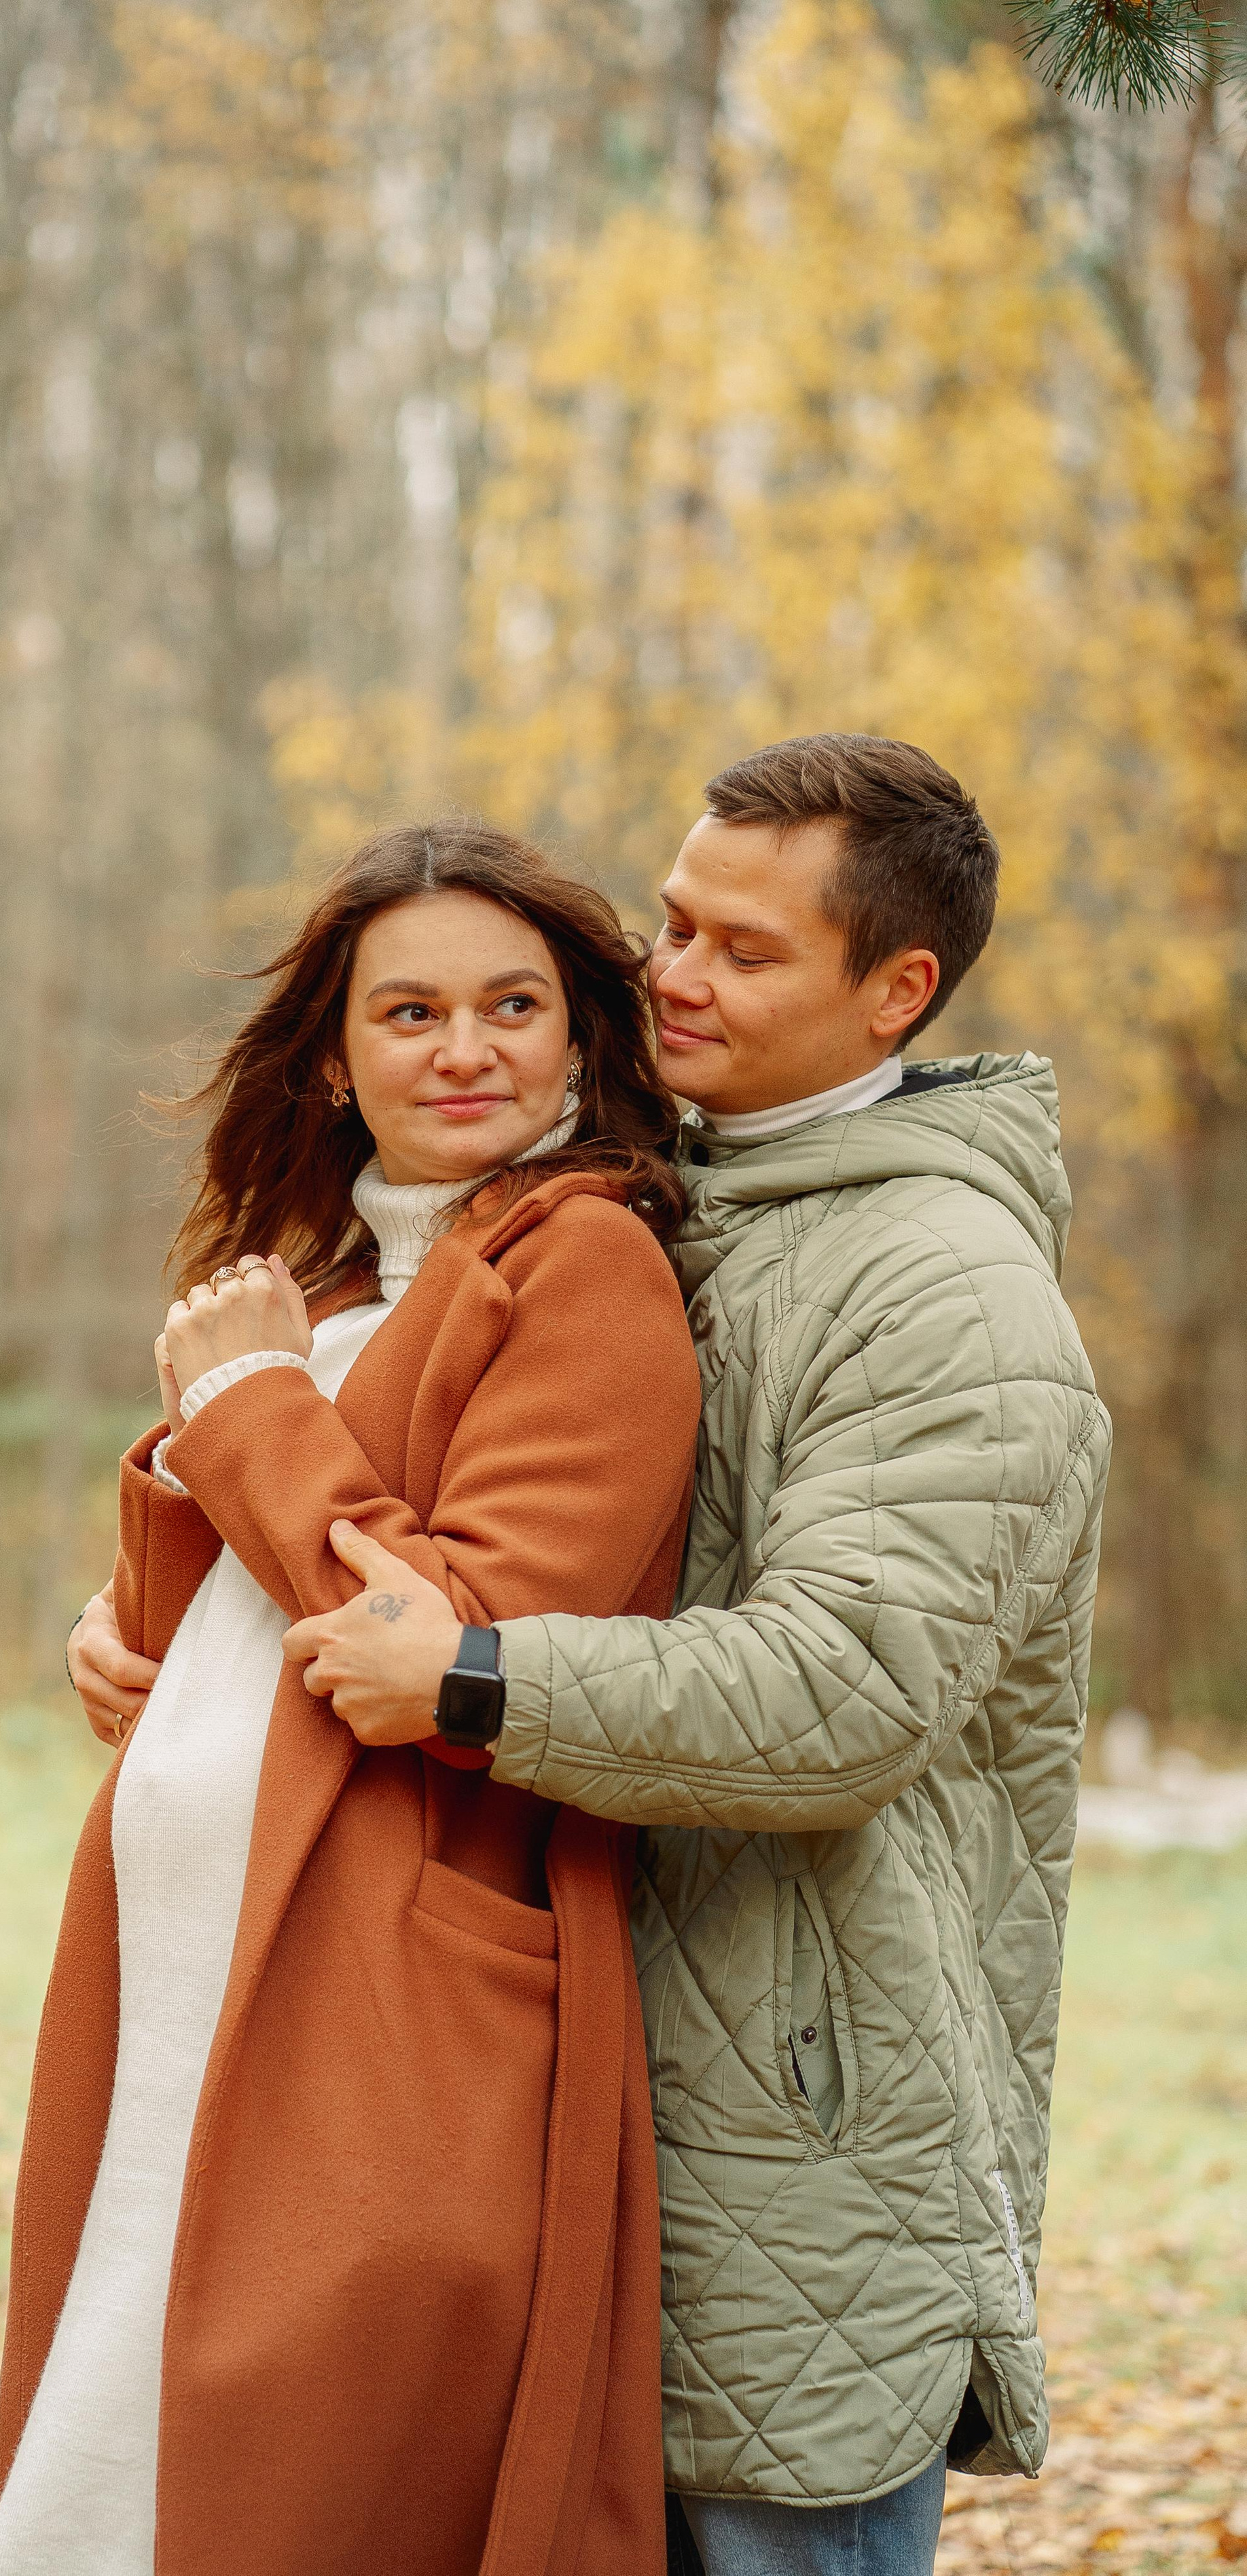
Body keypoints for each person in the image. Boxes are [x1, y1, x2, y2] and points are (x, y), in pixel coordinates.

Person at [75, 733, 1111, 2576]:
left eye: (745, 951)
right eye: (674, 922)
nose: (674, 976)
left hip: (794, 2131)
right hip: (571, 2082)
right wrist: (160, 1638)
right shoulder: (641, 1196)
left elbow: (844, 1693)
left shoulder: (946, 1288)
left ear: (897, 992)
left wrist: (481, 1679)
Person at [0, 821, 704, 2576]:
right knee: (119, 2471)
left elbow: (464, 1644)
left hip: (387, 1985)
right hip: (185, 1974)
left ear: (579, 1037)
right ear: (333, 1055)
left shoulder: (586, 1267)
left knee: (287, 2492)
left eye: (513, 1006)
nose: (466, 1050)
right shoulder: (326, 1285)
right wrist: (125, 1626)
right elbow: (259, 1599)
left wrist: (243, 1414)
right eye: (411, 1012)